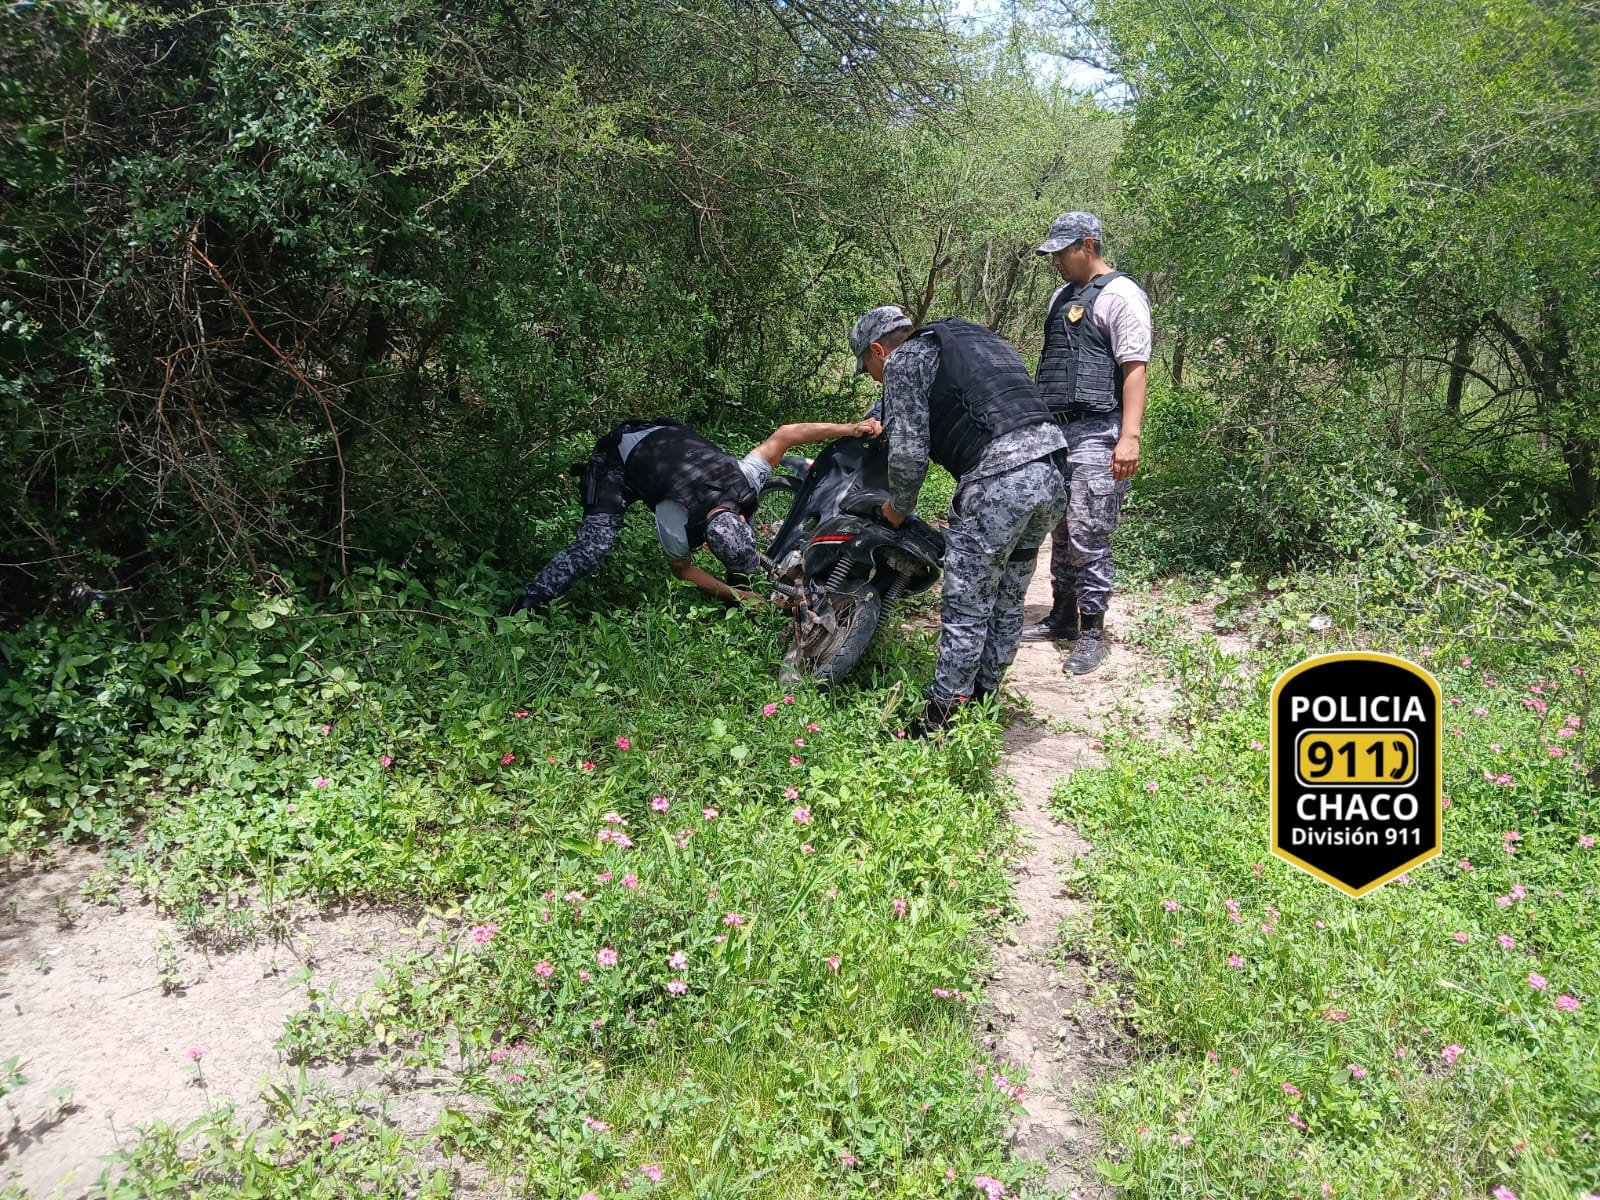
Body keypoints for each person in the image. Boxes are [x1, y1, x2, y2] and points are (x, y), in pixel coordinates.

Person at [850, 304, 1069, 738]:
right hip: (1054, 474)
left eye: (870, 367)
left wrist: (896, 510)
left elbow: (910, 457)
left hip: (1000, 484)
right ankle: (985, 701)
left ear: (879, 351)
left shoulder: (906, 360)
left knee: (968, 607)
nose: (876, 376)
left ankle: (940, 721)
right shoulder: (969, 339)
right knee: (1008, 598)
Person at [512, 416, 881, 613]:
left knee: (741, 561)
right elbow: (683, 570)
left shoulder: (746, 477)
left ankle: (744, 567)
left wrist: (852, 428)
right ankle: (526, 604)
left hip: (668, 436)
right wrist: (736, 596)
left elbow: (785, 434)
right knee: (595, 545)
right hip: (619, 460)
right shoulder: (674, 517)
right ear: (706, 534)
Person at [1018, 211, 1152, 676]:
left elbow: (1135, 367)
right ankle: (1062, 617)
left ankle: (1092, 630)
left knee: (1089, 532)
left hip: (1099, 430)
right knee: (1059, 527)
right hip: (1056, 430)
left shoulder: (1122, 295)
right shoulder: (1061, 297)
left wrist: (1128, 438)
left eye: (1062, 251)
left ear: (1088, 246)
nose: (1056, 260)